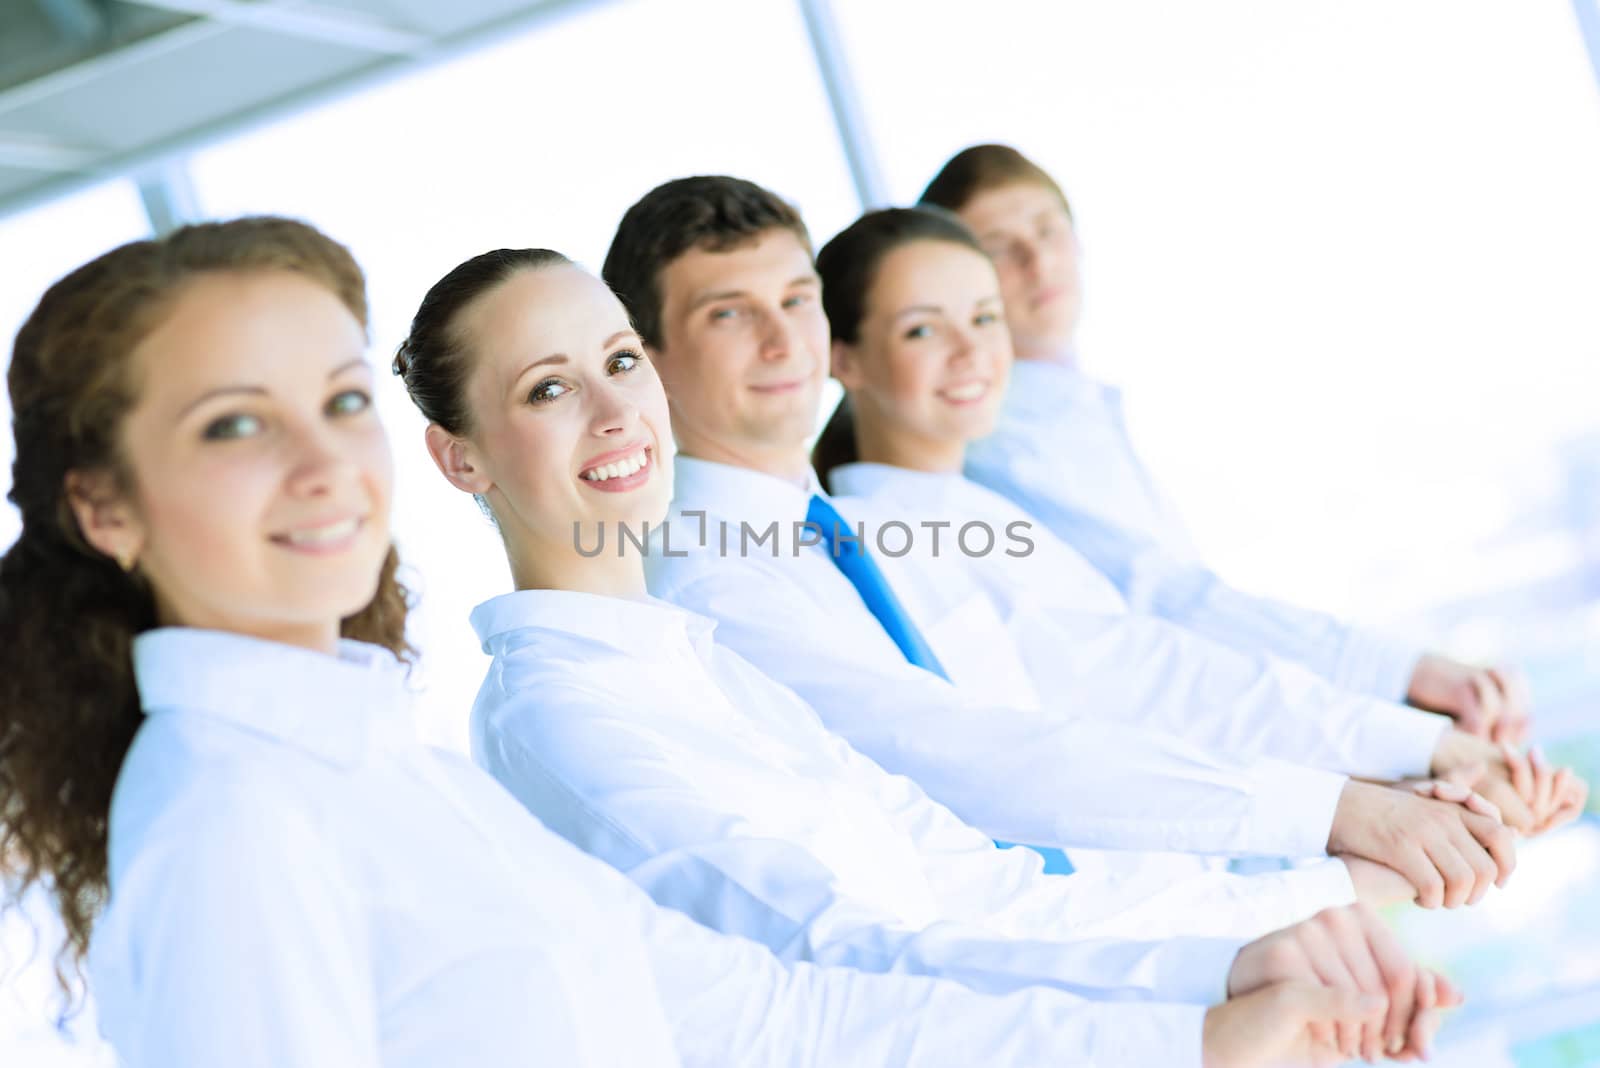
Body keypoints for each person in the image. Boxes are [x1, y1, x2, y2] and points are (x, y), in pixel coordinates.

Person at [0, 216, 1350, 1068]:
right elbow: (833, 948)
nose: (319, 465)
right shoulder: (235, 820)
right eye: (235, 425)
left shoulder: (390, 772)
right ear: (103, 505)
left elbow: (777, 1013)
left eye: (340, 400)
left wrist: (1199, 1013)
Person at [398, 244, 1456, 1064]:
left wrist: (1294, 909)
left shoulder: (698, 665)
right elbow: (833, 953)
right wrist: (1197, 1010)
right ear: (459, 457)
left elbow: (977, 886)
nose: (616, 408)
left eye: (619, 361)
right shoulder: (559, 716)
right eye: (548, 388)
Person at [608, 175, 1526, 908]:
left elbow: (1114, 668)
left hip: (1154, 934)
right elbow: (971, 760)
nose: (782, 342)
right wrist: (1335, 827)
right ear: (647, 359)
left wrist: (1376, 789)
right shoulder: (715, 577)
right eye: (727, 313)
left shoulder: (839, 536)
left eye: (795, 298)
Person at [810, 205, 1587, 849]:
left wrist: (1405, 773)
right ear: (841, 356)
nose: (971, 351)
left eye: (983, 317)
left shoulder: (971, 513)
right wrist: (1401, 762)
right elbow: (1149, 685)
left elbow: (1163, 682)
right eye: (921, 330)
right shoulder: (897, 540)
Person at [921, 143, 1532, 745]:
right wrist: (1400, 676)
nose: (1038, 261)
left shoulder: (1074, 409)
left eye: (1048, 229)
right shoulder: (1004, 447)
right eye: (999, 247)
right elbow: (1168, 601)